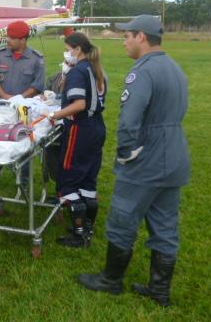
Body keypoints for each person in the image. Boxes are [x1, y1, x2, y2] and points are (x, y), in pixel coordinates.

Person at [78, 15, 190, 307]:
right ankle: (159, 291)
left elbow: (129, 120)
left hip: (147, 157)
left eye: (127, 35)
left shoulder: (142, 72)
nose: (124, 41)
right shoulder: (175, 68)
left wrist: (127, 152)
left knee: (123, 218)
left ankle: (111, 279)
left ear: (142, 36)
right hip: (175, 154)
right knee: (165, 224)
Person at [47, 31, 107, 248]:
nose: (67, 53)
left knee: (68, 179)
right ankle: (88, 226)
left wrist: (54, 115)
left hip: (80, 128)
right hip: (97, 126)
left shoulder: (78, 71)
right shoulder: (95, 68)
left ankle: (79, 234)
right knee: (88, 179)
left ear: (77, 49)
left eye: (68, 48)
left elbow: (79, 104)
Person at [0, 20, 46, 188]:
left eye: (12, 37)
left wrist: (19, 99)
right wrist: (6, 97)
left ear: (23, 40)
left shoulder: (36, 59)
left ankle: (25, 181)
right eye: (8, 36)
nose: (8, 40)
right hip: (1, 108)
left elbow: (38, 85)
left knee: (25, 143)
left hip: (24, 110)